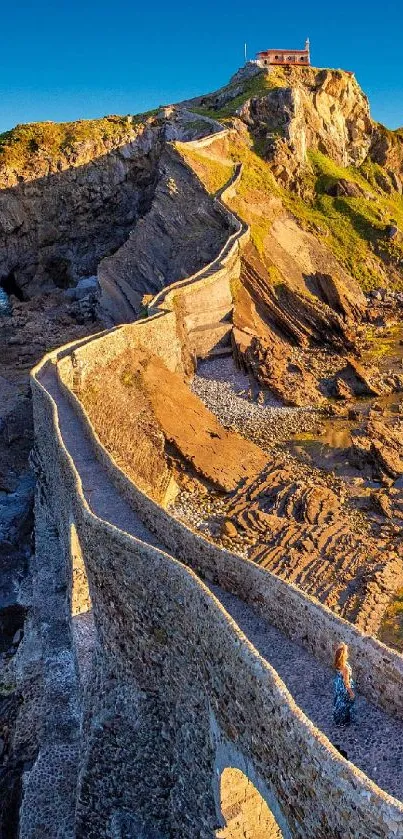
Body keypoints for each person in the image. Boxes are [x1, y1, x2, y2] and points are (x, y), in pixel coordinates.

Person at [333, 642, 355, 726]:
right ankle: (343, 721)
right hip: (344, 687)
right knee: (346, 703)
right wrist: (351, 692)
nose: (347, 653)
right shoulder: (345, 667)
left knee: (339, 701)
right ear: (344, 655)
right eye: (346, 652)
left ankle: (338, 719)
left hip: (338, 684)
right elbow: (346, 682)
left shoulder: (338, 663)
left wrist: (342, 646)